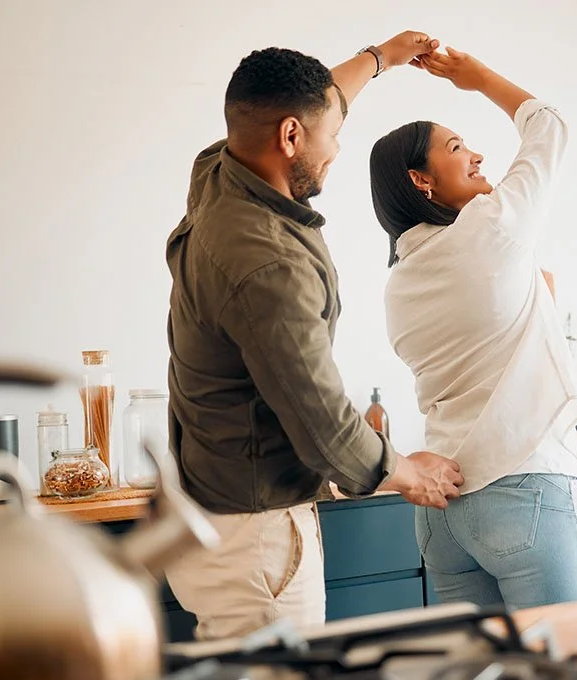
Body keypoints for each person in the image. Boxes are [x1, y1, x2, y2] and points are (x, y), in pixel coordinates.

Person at [163, 32, 465, 641]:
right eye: (332, 136)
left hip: (208, 515)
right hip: (259, 537)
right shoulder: (267, 263)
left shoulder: (217, 173)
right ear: (291, 136)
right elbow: (324, 422)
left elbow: (303, 104)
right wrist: (407, 470)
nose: (336, 151)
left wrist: (379, 59)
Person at [368, 47, 577, 609]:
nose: (477, 154)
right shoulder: (490, 229)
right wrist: (476, 77)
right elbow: (549, 126)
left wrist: (570, 438)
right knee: (569, 673)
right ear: (421, 180)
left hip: (444, 512)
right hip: (526, 498)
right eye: (457, 147)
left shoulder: (398, 283)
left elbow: (485, 380)